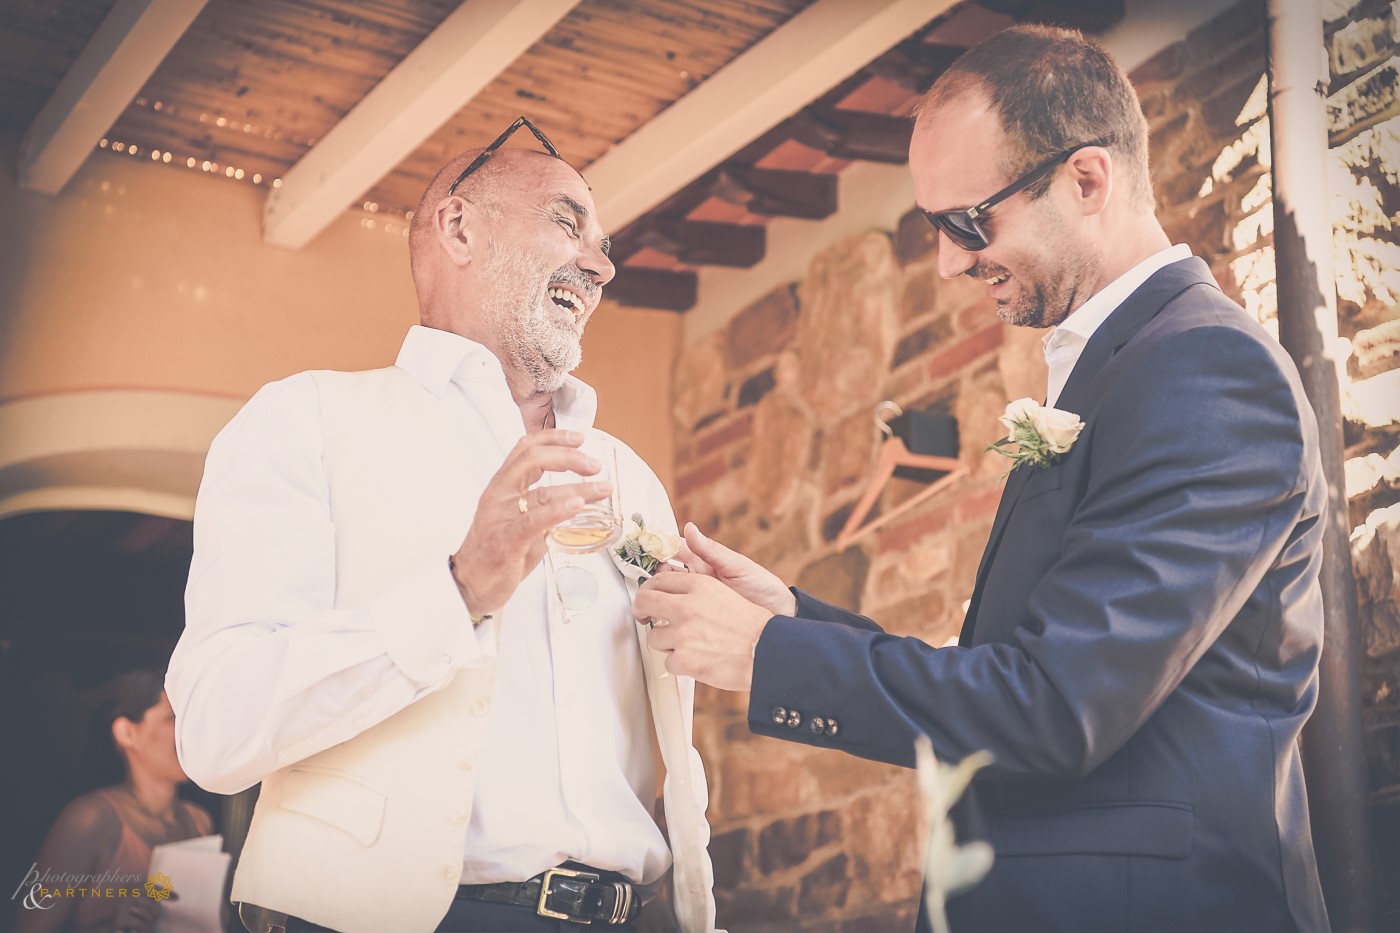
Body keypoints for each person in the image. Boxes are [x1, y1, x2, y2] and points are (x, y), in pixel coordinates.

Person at [633, 25, 1330, 933]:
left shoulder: (1207, 373)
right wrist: (791, 621)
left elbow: (1055, 707)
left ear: (1088, 180)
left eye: (970, 222)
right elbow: (1018, 671)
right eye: (936, 227)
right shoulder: (1123, 368)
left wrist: (767, 656)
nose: (949, 262)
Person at [165, 120, 716, 933]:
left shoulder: (630, 476)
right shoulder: (305, 420)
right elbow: (216, 728)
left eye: (603, 244)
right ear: (459, 227)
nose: (601, 265)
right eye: (568, 223)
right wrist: (455, 595)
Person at [16, 670, 214, 933]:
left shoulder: (199, 821)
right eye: (173, 717)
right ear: (126, 733)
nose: (187, 731)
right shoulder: (89, 819)